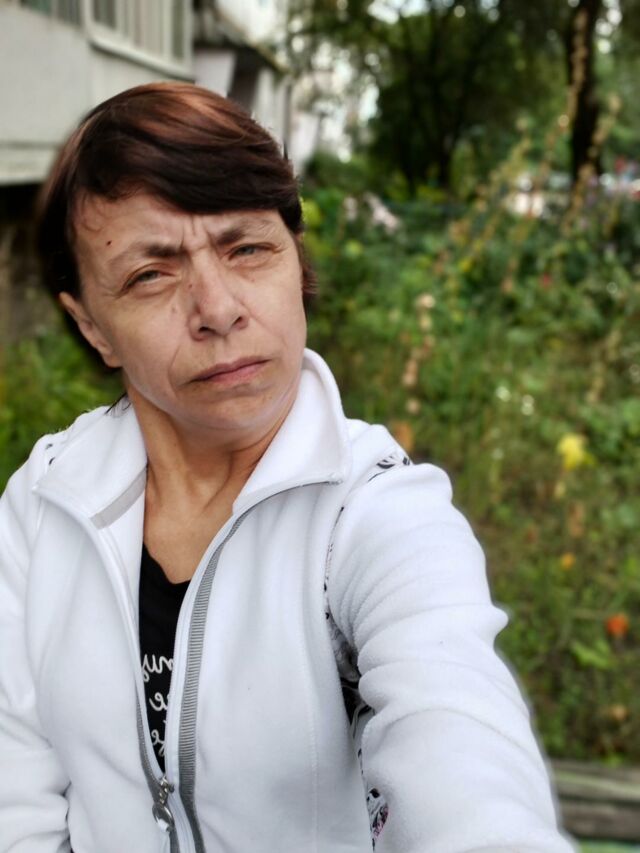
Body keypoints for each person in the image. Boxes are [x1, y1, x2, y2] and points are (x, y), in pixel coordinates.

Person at [0, 82, 576, 853]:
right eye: (150, 275)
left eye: (247, 248)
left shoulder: (376, 514)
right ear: (92, 326)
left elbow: (463, 752)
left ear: (294, 260)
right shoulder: (44, 506)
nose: (217, 308)